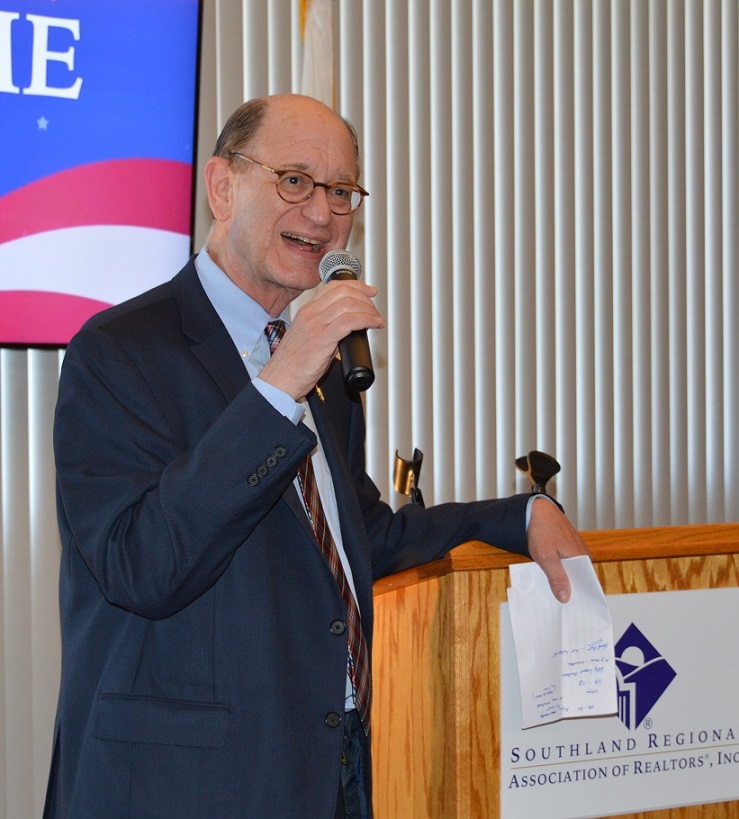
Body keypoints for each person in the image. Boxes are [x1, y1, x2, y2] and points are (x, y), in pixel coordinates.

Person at [43, 93, 588, 818]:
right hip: (181, 787)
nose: (324, 213)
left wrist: (522, 514)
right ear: (221, 186)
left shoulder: (322, 367)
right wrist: (277, 386)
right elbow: (141, 565)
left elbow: (361, 537)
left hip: (329, 772)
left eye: (341, 191)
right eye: (294, 180)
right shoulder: (118, 352)